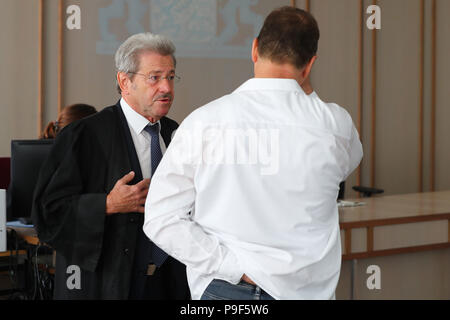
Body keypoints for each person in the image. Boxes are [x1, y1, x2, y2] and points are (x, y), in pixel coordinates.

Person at [143, 7, 363, 300]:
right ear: (310, 65)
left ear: (254, 49)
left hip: (228, 288)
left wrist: (231, 266)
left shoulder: (205, 122)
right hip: (308, 291)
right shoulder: (336, 124)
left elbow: (161, 220)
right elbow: (346, 163)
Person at [31, 33, 190, 299]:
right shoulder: (84, 136)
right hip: (110, 286)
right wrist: (106, 205)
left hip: (171, 284)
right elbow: (47, 214)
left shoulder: (178, 135)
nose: (166, 87)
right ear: (124, 81)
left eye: (171, 77)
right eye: (154, 77)